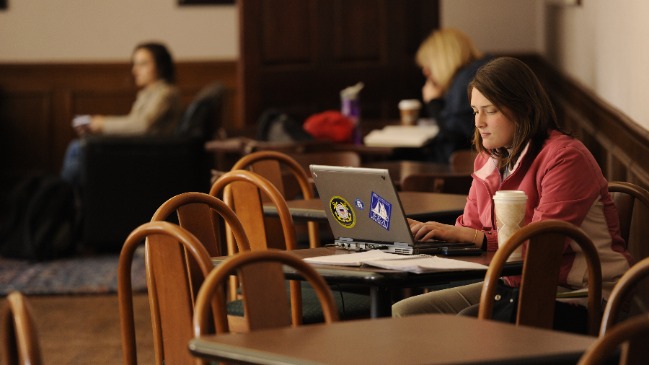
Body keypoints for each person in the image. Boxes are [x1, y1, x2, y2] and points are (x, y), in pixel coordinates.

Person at [392, 57, 634, 333]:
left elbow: (541, 246)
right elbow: (471, 228)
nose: (479, 122)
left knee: (461, 330)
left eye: (490, 111)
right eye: (474, 111)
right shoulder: (488, 160)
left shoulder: (565, 158)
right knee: (408, 312)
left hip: (583, 295)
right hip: (514, 285)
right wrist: (441, 235)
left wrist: (472, 237)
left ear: (524, 109)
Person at [60, 42, 183, 186]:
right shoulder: (151, 93)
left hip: (147, 157)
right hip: (139, 152)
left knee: (78, 148)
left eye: (142, 64)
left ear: (161, 66)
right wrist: (97, 127)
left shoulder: (165, 93)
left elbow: (142, 126)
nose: (135, 70)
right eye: (135, 64)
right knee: (79, 146)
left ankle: (62, 201)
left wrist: (101, 124)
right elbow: (135, 124)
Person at [414, 28, 492, 164]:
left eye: (428, 64)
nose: (425, 72)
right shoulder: (475, 71)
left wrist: (434, 102)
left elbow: (455, 135)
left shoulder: (465, 81)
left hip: (456, 165)